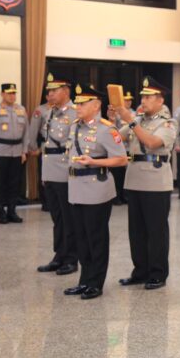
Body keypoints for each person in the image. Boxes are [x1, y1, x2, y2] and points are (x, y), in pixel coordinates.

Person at [63, 84, 128, 300]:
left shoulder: (106, 129)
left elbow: (121, 159)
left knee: (96, 237)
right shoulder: (75, 127)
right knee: (80, 238)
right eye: (77, 102)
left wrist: (94, 161)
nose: (77, 106)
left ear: (96, 105)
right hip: (76, 189)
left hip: (96, 189)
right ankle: (84, 280)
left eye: (82, 103)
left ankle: (96, 282)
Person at [114, 76, 177, 290]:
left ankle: (158, 273)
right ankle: (140, 271)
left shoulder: (167, 123)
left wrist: (130, 121)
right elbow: (117, 138)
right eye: (143, 96)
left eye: (148, 97)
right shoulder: (139, 120)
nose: (143, 100)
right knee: (136, 231)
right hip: (134, 179)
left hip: (155, 182)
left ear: (160, 100)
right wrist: (111, 119)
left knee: (156, 230)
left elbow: (151, 143)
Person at [33, 73, 79, 276]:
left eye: (54, 90)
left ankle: (71, 259)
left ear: (66, 91)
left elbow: (77, 146)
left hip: (64, 171)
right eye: (49, 91)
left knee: (69, 218)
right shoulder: (50, 113)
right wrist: (44, 173)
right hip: (50, 170)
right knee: (57, 218)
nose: (49, 94)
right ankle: (59, 255)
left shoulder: (75, 113)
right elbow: (47, 145)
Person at [0, 83, 29, 224]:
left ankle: (12, 211)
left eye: (14, 93)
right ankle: (0, 212)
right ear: (2, 94)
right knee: (0, 183)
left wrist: (24, 151)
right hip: (0, 151)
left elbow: (26, 132)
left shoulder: (21, 109)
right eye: (9, 93)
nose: (12, 96)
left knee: (15, 184)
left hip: (17, 152)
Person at [108, 92, 134, 205]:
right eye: (126, 100)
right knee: (117, 174)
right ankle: (117, 196)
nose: (128, 102)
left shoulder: (134, 113)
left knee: (128, 175)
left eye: (130, 100)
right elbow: (113, 131)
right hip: (119, 147)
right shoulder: (117, 113)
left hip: (130, 148)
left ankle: (126, 195)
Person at [28, 92, 51, 211]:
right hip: (44, 145)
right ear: (47, 97)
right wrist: (34, 147)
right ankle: (46, 202)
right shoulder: (40, 110)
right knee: (44, 176)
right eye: (50, 94)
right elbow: (33, 129)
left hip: (61, 149)